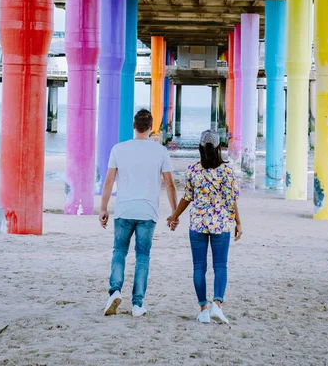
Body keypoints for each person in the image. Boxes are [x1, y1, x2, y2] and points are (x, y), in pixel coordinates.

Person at [99, 109, 177, 317]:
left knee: (119, 252)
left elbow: (108, 181)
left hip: (124, 209)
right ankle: (137, 304)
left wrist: (104, 208)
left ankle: (114, 291)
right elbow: (170, 185)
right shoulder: (160, 151)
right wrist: (174, 213)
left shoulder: (119, 149)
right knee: (143, 256)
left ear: (134, 126)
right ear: (151, 128)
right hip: (148, 211)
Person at [167, 130, 242, 324]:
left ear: (200, 147)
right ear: (219, 148)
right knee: (220, 266)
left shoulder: (193, 170)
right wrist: (238, 222)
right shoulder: (226, 172)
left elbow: (187, 198)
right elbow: (231, 200)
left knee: (199, 267)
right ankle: (217, 304)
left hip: (198, 223)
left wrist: (174, 216)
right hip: (221, 223)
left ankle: (203, 309)